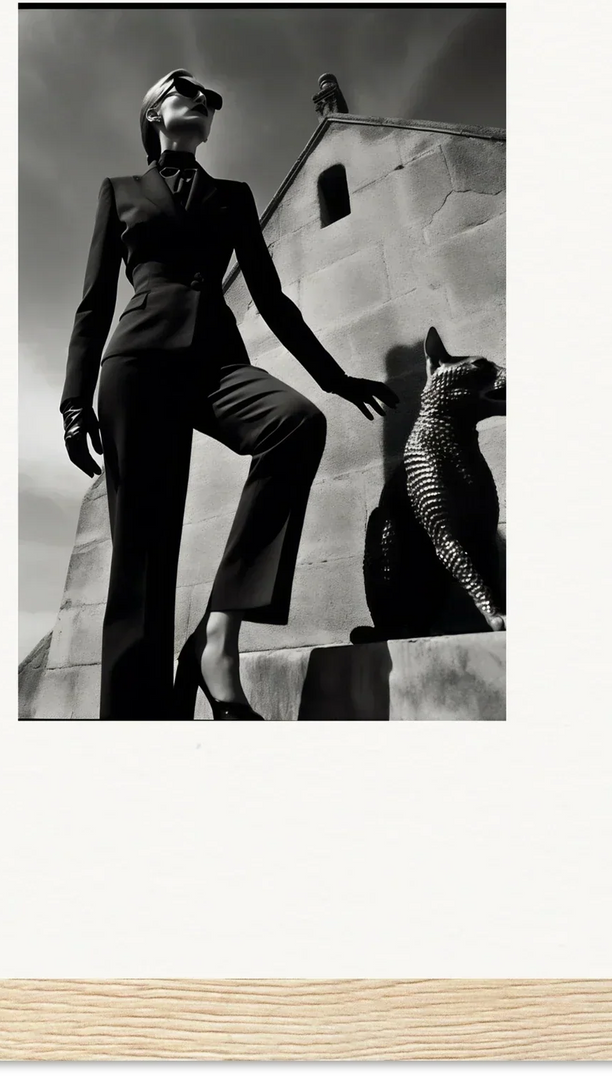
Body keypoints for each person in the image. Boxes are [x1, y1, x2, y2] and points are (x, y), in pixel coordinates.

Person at [60, 69, 398, 720]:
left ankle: (217, 636)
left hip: (214, 364)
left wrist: (331, 377)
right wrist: (74, 401)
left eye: (208, 101)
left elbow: (271, 299)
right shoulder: (121, 191)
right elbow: (93, 302)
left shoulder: (233, 195)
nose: (201, 103)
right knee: (141, 560)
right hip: (134, 365)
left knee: (295, 423)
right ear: (154, 113)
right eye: (186, 93)